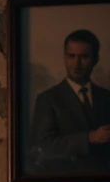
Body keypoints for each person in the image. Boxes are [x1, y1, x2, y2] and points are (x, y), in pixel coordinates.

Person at [29, 28, 110, 173]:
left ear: (95, 60)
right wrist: (89, 138)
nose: (76, 63)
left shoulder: (106, 97)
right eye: (71, 56)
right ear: (64, 58)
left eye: (84, 57)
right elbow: (41, 147)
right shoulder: (48, 99)